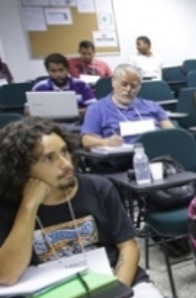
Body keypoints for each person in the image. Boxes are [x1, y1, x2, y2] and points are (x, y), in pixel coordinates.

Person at [0, 117, 163, 297]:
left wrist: (116, 291)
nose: (66, 164)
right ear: (22, 168)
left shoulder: (98, 187)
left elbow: (128, 247)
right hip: (51, 289)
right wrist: (29, 205)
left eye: (65, 152)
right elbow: (7, 275)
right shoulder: (9, 204)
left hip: (113, 277)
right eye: (48, 158)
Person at [81, 64, 174, 148]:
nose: (128, 89)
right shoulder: (96, 109)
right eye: (124, 84)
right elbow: (86, 140)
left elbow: (171, 133)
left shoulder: (152, 106)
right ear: (113, 83)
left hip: (158, 152)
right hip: (123, 158)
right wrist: (106, 142)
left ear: (139, 88)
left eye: (134, 86)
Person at [29, 53, 97, 116]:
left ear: (67, 70)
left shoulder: (82, 85)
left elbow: (94, 109)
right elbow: (27, 111)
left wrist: (65, 112)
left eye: (61, 70)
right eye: (53, 71)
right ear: (47, 71)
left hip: (78, 123)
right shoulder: (39, 88)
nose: (58, 75)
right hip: (49, 124)